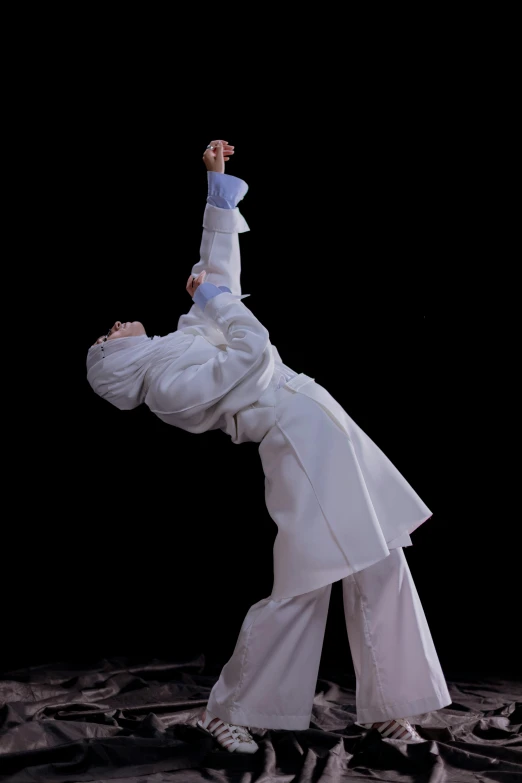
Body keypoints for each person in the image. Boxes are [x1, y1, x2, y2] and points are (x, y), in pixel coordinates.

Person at [86, 139, 452, 754]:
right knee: (308, 581)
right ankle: (228, 711)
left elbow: (218, 274)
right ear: (114, 361)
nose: (116, 322)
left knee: (383, 559)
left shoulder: (176, 346)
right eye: (105, 334)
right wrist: (215, 302)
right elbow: (251, 348)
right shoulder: (167, 388)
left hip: (320, 422)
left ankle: (391, 705)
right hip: (297, 440)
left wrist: (215, 187)